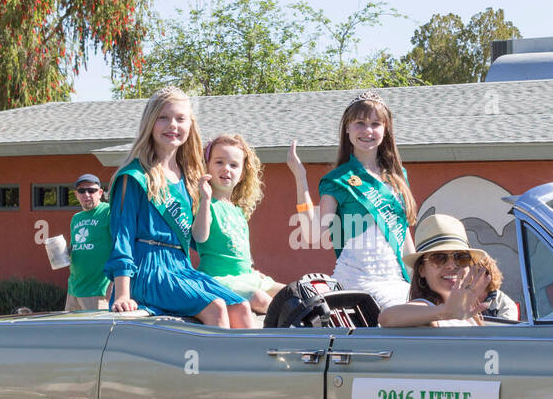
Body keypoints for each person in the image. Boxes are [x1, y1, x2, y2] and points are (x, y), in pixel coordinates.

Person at [105, 86, 254, 328]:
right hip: (148, 269)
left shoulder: (189, 178)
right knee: (215, 308)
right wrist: (123, 292)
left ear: (190, 125)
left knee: (241, 307)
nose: (172, 125)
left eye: (180, 118)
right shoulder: (133, 176)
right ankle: (215, 367)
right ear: (150, 123)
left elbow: (198, 238)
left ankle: (244, 367)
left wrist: (205, 201)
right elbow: (122, 237)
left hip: (180, 266)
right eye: (163, 117)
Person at [288, 90, 417, 310]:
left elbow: (403, 237)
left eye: (376, 124)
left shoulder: (397, 177)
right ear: (347, 128)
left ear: (385, 130)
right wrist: (300, 178)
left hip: (396, 280)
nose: (368, 130)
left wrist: (418, 282)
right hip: (358, 282)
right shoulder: (338, 180)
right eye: (360, 122)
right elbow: (312, 234)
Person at [195, 134, 285, 314]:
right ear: (207, 167)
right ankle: (277, 339)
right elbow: (199, 236)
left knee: (292, 293)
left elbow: (238, 250)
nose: (226, 169)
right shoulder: (207, 204)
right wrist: (204, 199)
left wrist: (250, 270)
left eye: (234, 165)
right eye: (219, 162)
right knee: (262, 300)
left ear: (242, 173)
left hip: (246, 277)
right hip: (218, 279)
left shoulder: (238, 211)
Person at [379, 215, 517, 328]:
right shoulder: (427, 308)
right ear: (422, 270)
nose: (451, 265)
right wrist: (446, 312)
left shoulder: (467, 312)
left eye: (461, 257)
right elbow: (387, 317)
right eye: (438, 258)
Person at [66, 173, 112, 311]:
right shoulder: (76, 218)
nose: (86, 194)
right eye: (81, 191)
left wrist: (114, 283)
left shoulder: (109, 212)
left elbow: (121, 247)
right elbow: (78, 247)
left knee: (98, 333)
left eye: (91, 190)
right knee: (70, 332)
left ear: (100, 193)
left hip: (98, 292)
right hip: (73, 290)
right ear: (76, 194)